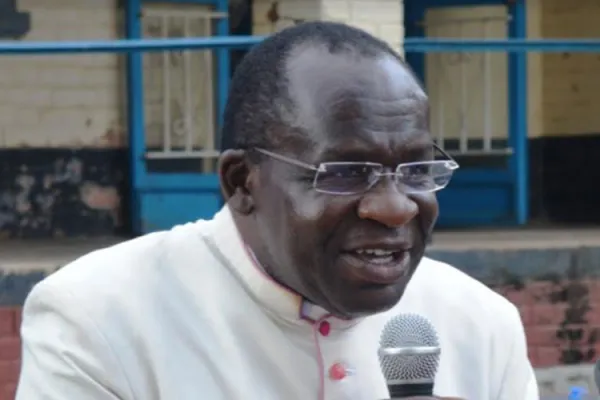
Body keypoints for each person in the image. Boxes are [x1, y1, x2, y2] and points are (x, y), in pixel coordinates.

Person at [16, 21, 538, 400]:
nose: (394, 208)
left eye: (417, 171)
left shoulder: (481, 323)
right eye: (345, 173)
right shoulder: (98, 318)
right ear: (242, 182)